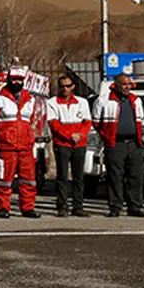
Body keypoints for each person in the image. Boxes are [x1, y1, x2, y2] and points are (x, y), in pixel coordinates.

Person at [0, 68, 42, 219]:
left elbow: (30, 121)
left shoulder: (30, 99)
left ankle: (28, 208)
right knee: (4, 180)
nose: (16, 82)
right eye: (14, 79)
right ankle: (3, 208)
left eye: (19, 80)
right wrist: (4, 134)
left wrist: (26, 135)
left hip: (26, 147)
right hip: (7, 147)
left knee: (29, 180)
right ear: (8, 80)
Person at [92, 73, 144, 217]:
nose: (127, 87)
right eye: (124, 84)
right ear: (115, 85)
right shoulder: (103, 100)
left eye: (129, 84)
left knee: (136, 177)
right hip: (115, 144)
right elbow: (97, 122)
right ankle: (115, 207)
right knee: (115, 176)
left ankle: (134, 207)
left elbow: (139, 122)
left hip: (134, 144)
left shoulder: (136, 100)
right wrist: (106, 137)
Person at [46, 74, 92, 217]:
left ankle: (78, 206)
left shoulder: (82, 102)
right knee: (62, 176)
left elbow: (87, 122)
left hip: (79, 143)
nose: (64, 89)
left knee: (78, 176)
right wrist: (68, 136)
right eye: (62, 86)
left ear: (73, 86)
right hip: (62, 143)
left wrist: (80, 135)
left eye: (68, 86)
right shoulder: (52, 102)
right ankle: (62, 206)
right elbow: (54, 124)